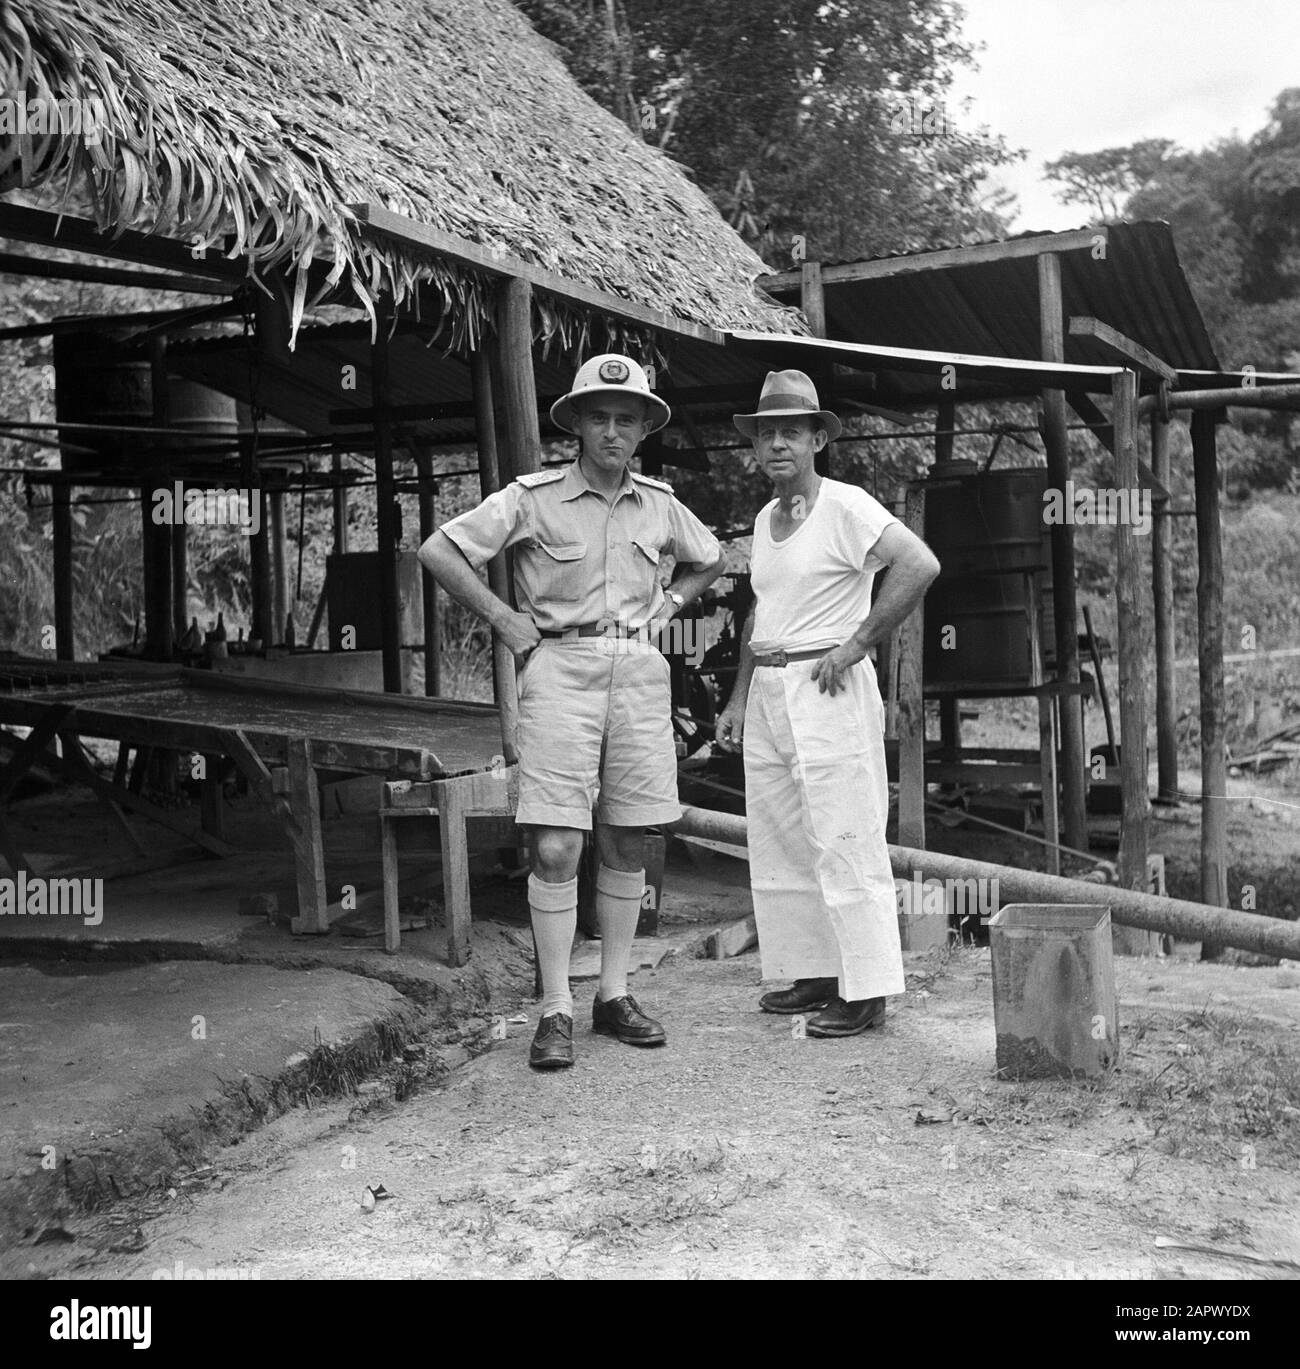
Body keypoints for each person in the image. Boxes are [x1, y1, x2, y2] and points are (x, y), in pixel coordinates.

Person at [419, 354, 726, 1069]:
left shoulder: (659, 502)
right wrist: (502, 617)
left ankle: (612, 995)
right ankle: (554, 1005)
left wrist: (670, 607)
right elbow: (438, 548)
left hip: (641, 674)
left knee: (628, 838)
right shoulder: (533, 497)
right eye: (599, 417)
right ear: (578, 425)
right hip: (560, 668)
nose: (613, 431)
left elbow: (710, 557)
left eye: (627, 419)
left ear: (644, 428)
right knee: (557, 843)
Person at [715, 369, 940, 1037]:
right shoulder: (764, 519)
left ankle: (866, 986)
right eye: (766, 433)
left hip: (829, 683)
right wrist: (737, 697)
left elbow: (919, 563)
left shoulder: (847, 506)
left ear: (817, 438)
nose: (777, 443)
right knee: (782, 836)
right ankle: (813, 969)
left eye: (791, 431)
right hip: (772, 687)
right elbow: (765, 610)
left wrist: (859, 642)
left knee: (846, 833)